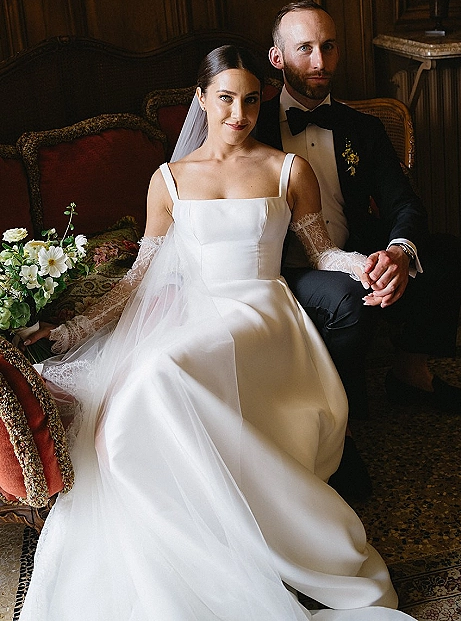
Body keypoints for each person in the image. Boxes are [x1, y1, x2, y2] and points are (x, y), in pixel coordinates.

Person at [20, 44, 415, 621]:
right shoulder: (170, 180)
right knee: (129, 403)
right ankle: (189, 546)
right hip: (197, 318)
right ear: (201, 101)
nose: (239, 114)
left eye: (251, 100)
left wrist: (375, 263)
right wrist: (67, 332)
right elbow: (138, 281)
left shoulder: (287, 169)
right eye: (225, 98)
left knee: (157, 372)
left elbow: (323, 253)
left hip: (264, 315)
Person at [256, 1, 461, 430]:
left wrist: (398, 254)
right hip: (287, 266)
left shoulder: (362, 128)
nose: (320, 62)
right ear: (278, 58)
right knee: (349, 298)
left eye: (328, 47)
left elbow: (405, 202)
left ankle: (410, 374)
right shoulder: (254, 129)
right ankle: (345, 428)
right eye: (304, 48)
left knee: (449, 254)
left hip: (358, 251)